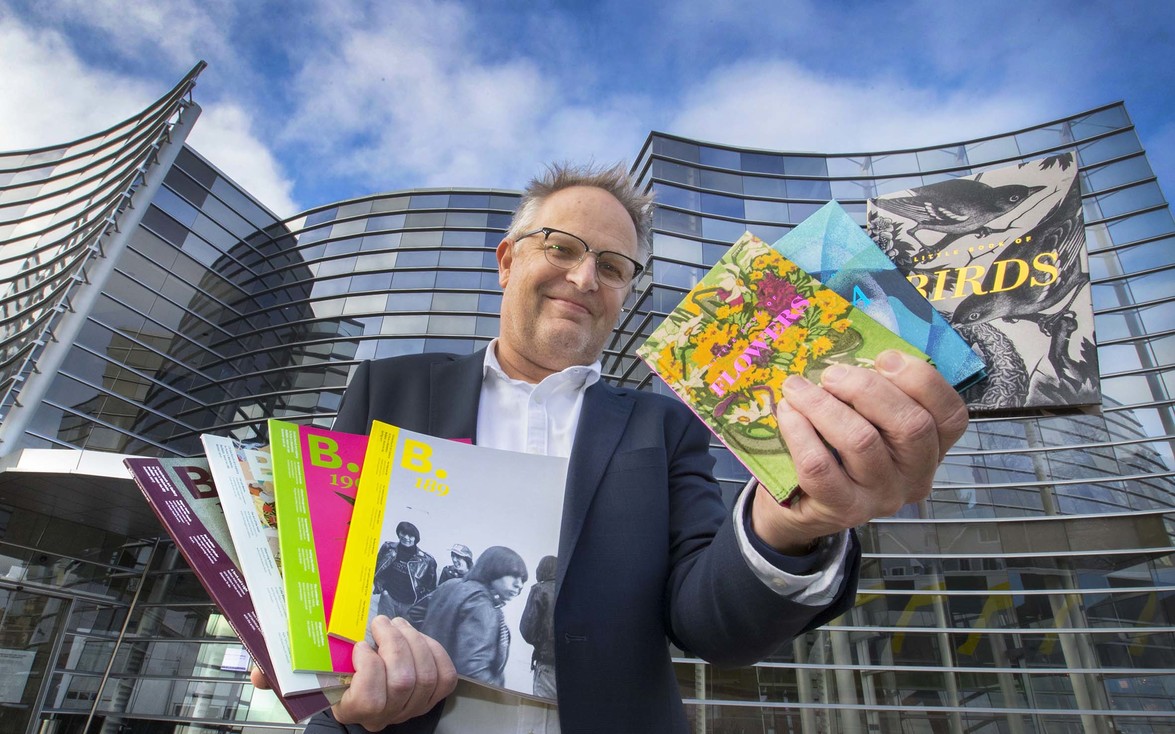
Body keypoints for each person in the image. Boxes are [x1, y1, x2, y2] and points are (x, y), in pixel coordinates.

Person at [256, 162, 969, 734]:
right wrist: (302, 659)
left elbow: (706, 622)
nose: (583, 278)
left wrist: (790, 523)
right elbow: (323, 575)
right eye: (561, 249)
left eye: (613, 266)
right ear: (506, 261)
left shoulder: (665, 426)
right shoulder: (388, 389)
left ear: (625, 291)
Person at [415, 546, 528, 688]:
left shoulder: (451, 584)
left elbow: (413, 616)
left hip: (426, 679)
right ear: (494, 569)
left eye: (523, 580)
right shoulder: (482, 604)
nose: (519, 584)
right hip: (451, 694)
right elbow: (473, 672)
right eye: (514, 576)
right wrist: (498, 693)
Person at [372, 521, 437, 619]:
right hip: (388, 599)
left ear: (416, 539)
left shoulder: (428, 561)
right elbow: (376, 567)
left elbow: (430, 588)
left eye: (411, 536)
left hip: (410, 605)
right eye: (403, 533)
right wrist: (383, 591)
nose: (406, 538)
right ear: (398, 533)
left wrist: (417, 604)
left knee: (401, 633)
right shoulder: (388, 548)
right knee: (382, 630)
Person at [520, 555, 557, 699]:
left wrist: (542, 644)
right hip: (572, 667)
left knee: (541, 711)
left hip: (547, 664)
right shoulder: (573, 590)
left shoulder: (540, 590)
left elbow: (527, 631)